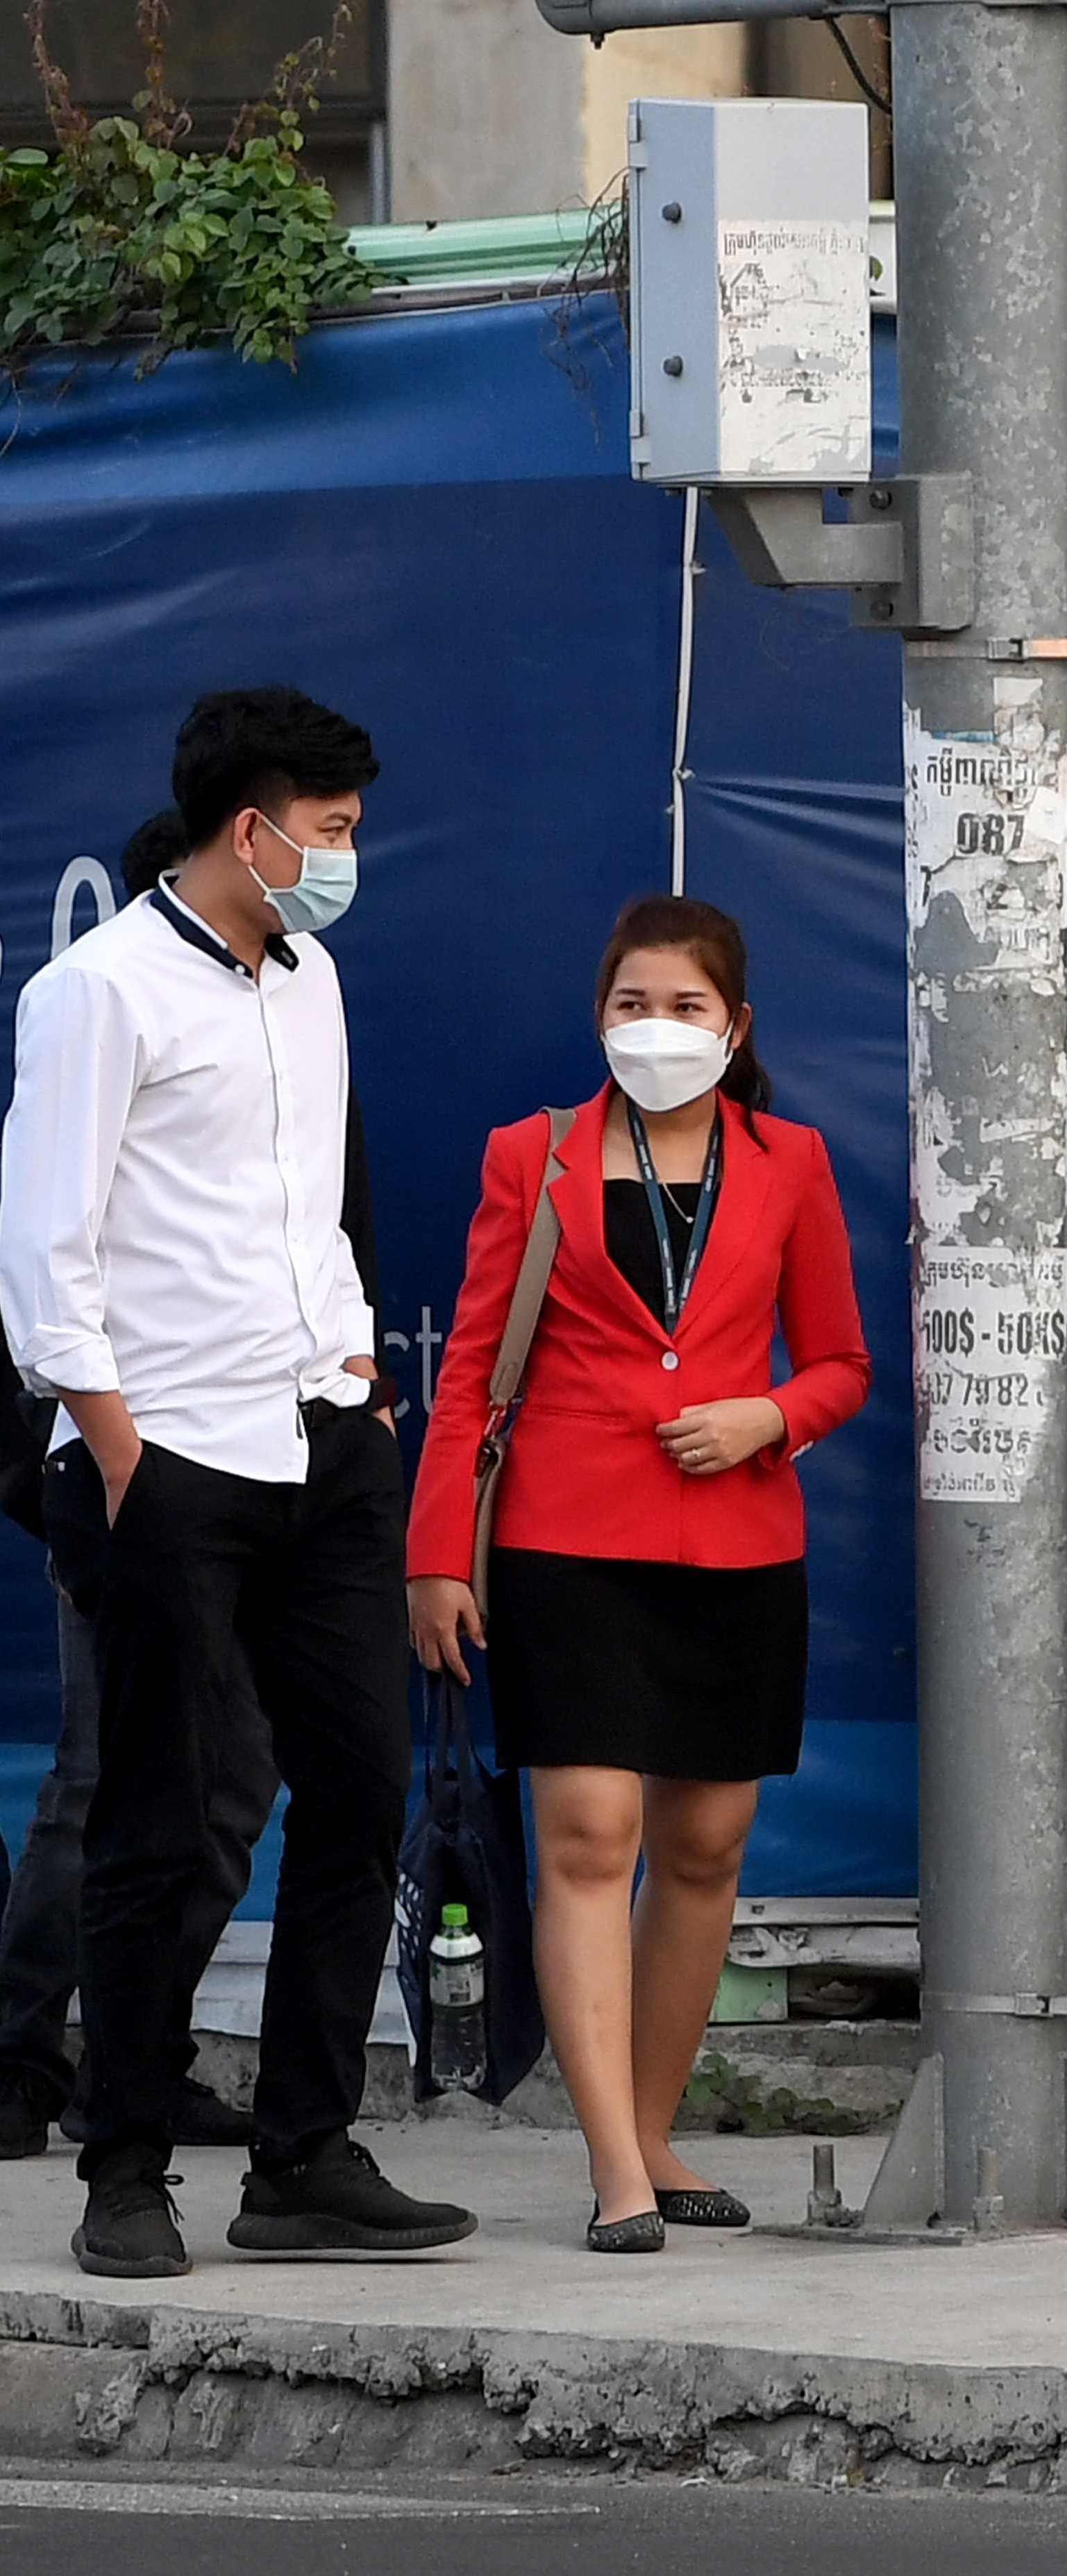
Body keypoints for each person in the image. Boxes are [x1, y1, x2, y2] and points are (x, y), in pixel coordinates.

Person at [0, 687, 471, 2278]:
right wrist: (119, 1446)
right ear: (248, 827)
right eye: (329, 831)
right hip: (170, 1460)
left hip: (320, 1441)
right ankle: (121, 2164)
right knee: (166, 1818)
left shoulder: (312, 973)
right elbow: (47, 1247)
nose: (348, 857)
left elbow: (309, 1207)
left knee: (360, 1791)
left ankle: (303, 2155)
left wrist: (355, 1381)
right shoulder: (98, 991)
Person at [405, 897, 869, 2251]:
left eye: (683, 1007)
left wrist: (764, 1416)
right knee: (590, 1835)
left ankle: (657, 2129)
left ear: (734, 1026)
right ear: (597, 1016)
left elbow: (839, 1361)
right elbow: (473, 1372)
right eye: (629, 1004)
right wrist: (438, 1555)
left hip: (737, 1545)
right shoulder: (531, 1156)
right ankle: (613, 2165)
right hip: (565, 1540)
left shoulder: (790, 1162)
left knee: (705, 1843)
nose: (654, 1029)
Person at [0, 814, 292, 2165]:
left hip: (257, 1479)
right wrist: (117, 1464)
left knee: (230, 1780)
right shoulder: (95, 1033)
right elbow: (49, 1284)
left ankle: (137, 2052)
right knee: (104, 1771)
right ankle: (18, 2057)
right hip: (126, 1478)